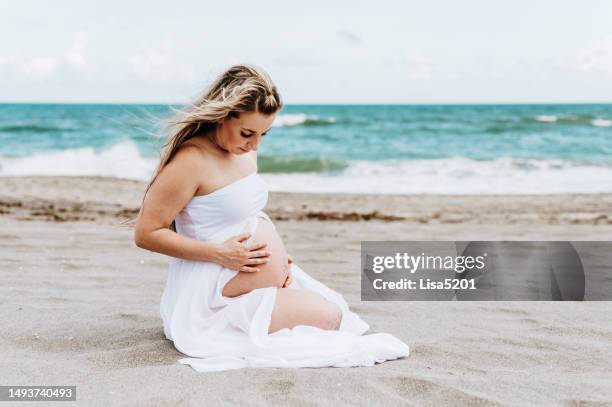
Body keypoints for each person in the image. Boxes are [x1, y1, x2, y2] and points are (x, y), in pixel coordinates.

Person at [133, 64, 409, 371]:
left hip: (244, 275)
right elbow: (147, 232)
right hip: (214, 294)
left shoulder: (243, 150)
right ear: (222, 116)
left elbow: (244, 213)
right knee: (332, 320)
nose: (254, 144)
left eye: (264, 133)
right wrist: (221, 254)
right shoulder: (191, 161)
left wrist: (281, 260)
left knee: (340, 316)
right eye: (247, 133)